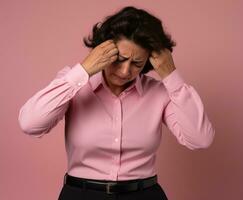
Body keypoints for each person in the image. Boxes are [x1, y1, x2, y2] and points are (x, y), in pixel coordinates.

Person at [18, 6, 215, 200]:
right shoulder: (74, 84)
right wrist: (84, 69)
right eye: (119, 59)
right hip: (80, 195)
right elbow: (30, 124)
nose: (124, 72)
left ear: (148, 62)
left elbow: (200, 139)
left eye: (136, 64)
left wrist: (171, 75)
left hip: (145, 195)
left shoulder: (159, 93)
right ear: (103, 51)